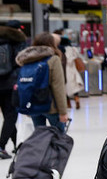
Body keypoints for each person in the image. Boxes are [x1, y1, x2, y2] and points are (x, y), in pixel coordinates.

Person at [15, 33, 69, 132]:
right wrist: (63, 112)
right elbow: (58, 87)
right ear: (52, 44)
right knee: (59, 138)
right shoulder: (53, 59)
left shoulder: (28, 60)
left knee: (39, 138)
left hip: (34, 105)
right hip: (51, 106)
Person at [0, 21, 27, 159]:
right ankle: (1, 146)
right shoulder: (18, 41)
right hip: (11, 84)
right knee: (11, 116)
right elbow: (22, 62)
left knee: (7, 116)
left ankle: (16, 144)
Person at [64, 43, 84, 110]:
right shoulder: (73, 49)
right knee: (75, 86)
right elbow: (78, 56)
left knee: (66, 87)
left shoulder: (62, 50)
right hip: (73, 69)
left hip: (65, 70)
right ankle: (77, 99)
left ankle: (68, 103)